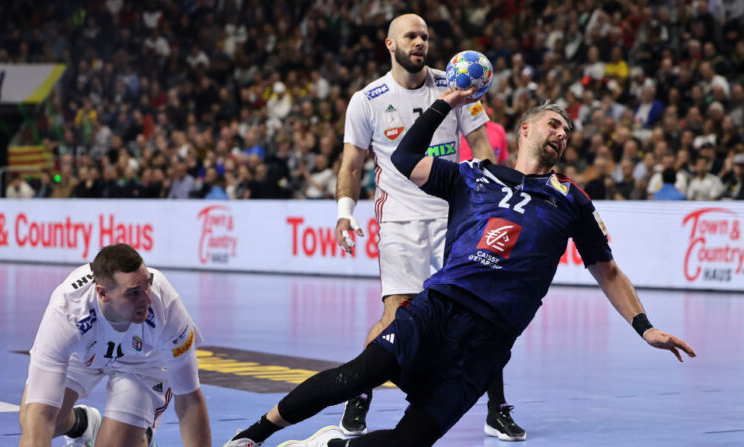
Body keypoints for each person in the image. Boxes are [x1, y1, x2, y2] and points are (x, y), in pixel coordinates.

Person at [222, 92, 695, 447]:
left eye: (567, 132)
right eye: (553, 124)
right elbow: (404, 159)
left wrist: (645, 328)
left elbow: (608, 271)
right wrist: (445, 103)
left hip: (489, 341)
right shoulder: (473, 174)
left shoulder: (572, 199)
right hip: (439, 309)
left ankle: (332, 444)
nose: (562, 134)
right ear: (524, 130)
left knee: (411, 441)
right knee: (359, 375)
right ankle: (252, 435)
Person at [332, 13, 520, 441]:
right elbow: (352, 163)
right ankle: (360, 392)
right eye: (411, 36)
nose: (420, 42)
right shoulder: (367, 99)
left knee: (479, 313)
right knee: (398, 311)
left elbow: (481, 147)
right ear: (390, 45)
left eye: (425, 37)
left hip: (454, 215)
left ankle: (497, 409)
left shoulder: (458, 84)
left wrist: (491, 198)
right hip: (399, 216)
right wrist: (345, 212)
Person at [18, 244, 211, 447]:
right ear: (102, 294)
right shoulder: (65, 313)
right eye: (133, 292)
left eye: (147, 284)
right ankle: (82, 424)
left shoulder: (166, 306)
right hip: (83, 350)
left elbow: (189, 400)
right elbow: (40, 416)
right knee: (32, 420)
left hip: (143, 363)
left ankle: (139, 435)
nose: (146, 298)